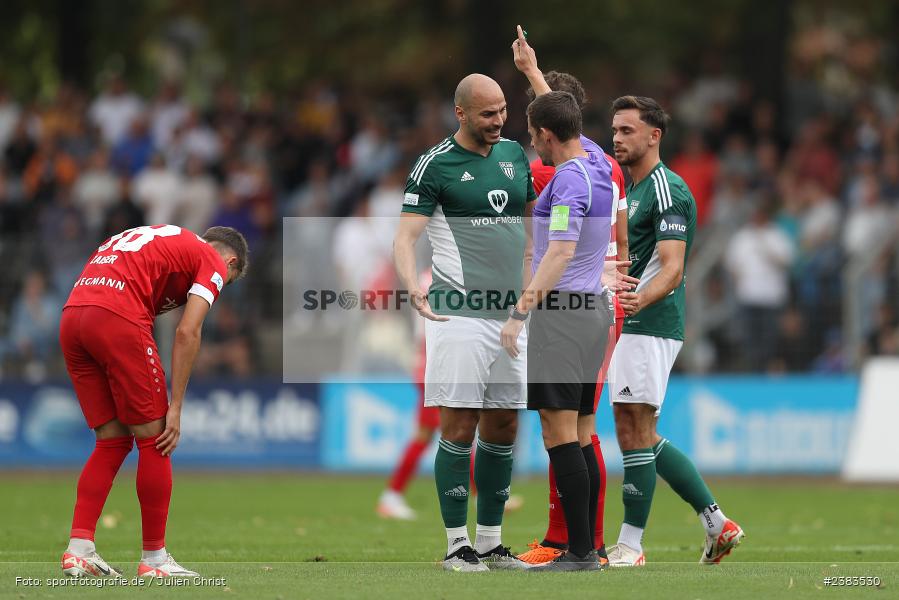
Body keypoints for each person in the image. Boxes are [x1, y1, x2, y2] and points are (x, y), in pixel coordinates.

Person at [393, 73, 535, 572]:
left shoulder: (516, 156)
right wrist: (411, 282)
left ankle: (492, 543)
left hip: (512, 317)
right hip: (458, 313)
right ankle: (457, 545)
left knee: (504, 424)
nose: (498, 121)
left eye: (502, 111)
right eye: (487, 113)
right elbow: (405, 239)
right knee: (457, 424)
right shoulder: (435, 165)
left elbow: (533, 222)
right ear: (461, 113)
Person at [59, 224, 249, 578]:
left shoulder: (164, 241)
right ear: (230, 260)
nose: (222, 285)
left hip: (73, 317)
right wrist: (175, 406)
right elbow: (187, 331)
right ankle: (155, 560)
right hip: (116, 317)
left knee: (113, 440)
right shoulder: (212, 258)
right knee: (156, 439)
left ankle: (79, 549)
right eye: (229, 279)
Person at [606, 96, 744, 566]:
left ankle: (631, 545)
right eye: (615, 130)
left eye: (627, 130)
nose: (617, 138)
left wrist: (638, 300)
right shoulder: (631, 186)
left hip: (651, 321)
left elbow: (672, 267)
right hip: (632, 321)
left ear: (654, 135)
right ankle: (716, 522)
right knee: (636, 428)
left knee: (635, 428)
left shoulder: (668, 190)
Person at [510, 26, 629, 566]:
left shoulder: (566, 183)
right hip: (593, 314)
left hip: (562, 311)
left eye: (534, 133)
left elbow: (558, 252)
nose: (532, 140)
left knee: (558, 435)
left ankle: (577, 550)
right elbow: (559, 116)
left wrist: (521, 309)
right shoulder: (601, 163)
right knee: (580, 432)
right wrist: (533, 72)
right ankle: (592, 547)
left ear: (544, 135)